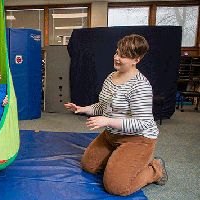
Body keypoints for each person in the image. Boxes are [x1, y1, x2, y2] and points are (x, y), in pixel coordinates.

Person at [64, 34, 168, 196]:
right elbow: (103, 107)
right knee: (89, 166)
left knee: (116, 187)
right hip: (112, 135)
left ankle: (156, 169)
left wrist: (107, 121)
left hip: (138, 139)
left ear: (136, 60)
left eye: (123, 56)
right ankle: (119, 160)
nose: (117, 58)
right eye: (117, 52)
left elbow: (141, 124)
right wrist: (83, 109)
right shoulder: (110, 78)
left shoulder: (141, 86)